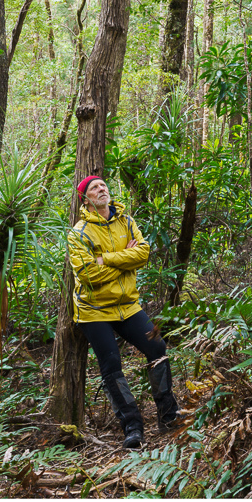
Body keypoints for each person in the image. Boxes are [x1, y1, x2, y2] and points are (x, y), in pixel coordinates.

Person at [68, 174, 181, 448]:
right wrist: (124, 259)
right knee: (111, 366)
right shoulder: (78, 233)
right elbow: (87, 274)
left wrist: (105, 258)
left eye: (103, 185)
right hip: (94, 310)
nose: (102, 189)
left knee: (157, 348)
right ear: (86, 198)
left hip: (128, 305)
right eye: (94, 188)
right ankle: (132, 427)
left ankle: (168, 415)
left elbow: (142, 253)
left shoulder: (127, 222)